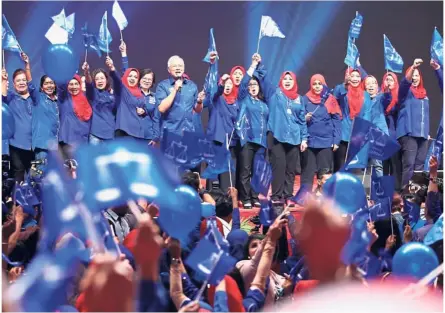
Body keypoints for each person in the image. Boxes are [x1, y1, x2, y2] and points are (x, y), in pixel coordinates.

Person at [257, 61, 308, 206]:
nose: (287, 81)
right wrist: (260, 64)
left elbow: (302, 119)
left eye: (290, 79)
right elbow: (264, 79)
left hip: (294, 137)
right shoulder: (274, 93)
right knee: (278, 167)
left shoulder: (299, 98)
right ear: (281, 81)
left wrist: (304, 138)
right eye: (285, 79)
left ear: (294, 81)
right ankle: (276, 195)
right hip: (276, 136)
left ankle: (288, 195)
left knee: (291, 169)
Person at [204, 51, 243, 192]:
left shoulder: (236, 102)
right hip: (217, 139)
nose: (228, 85)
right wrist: (220, 83)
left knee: (228, 171)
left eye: (230, 83)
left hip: (231, 140)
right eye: (225, 83)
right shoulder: (217, 99)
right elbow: (216, 91)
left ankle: (226, 195)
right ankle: (213, 195)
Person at [235, 54, 267, 208]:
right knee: (245, 170)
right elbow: (243, 84)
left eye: (256, 84)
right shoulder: (243, 99)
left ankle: (254, 197)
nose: (253, 86)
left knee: (257, 172)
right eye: (250, 85)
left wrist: (261, 65)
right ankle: (246, 197)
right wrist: (253, 64)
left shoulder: (263, 103)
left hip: (261, 142)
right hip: (247, 139)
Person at [301, 74, 341, 190]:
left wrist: (336, 140)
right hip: (310, 141)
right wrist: (305, 118)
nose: (317, 86)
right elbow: (299, 119)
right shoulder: (305, 99)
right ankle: (305, 197)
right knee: (307, 171)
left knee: (324, 172)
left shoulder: (330, 99)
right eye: (314, 84)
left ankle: (324, 195)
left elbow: (337, 121)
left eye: (320, 84)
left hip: (326, 141)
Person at [397, 58, 430, 191]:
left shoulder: (425, 94)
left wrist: (426, 132)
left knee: (420, 166)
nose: (415, 78)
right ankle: (406, 195)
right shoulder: (406, 92)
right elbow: (405, 83)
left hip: (422, 134)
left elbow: (426, 116)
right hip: (409, 133)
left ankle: (417, 196)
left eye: (417, 75)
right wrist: (412, 67)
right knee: (409, 165)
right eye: (413, 75)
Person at [1, 53, 34, 182]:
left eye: (23, 80)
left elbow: (32, 85)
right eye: (18, 81)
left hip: (34, 145)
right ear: (14, 85)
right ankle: (17, 202)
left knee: (35, 178)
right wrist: (3, 80)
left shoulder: (35, 98)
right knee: (18, 177)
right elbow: (1, 97)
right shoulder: (11, 98)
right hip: (16, 145)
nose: (21, 82)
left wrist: (27, 65)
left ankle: (36, 202)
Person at [119, 41, 160, 145]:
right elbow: (126, 73)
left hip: (148, 137)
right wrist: (124, 54)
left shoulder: (155, 97)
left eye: (149, 79)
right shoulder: (131, 92)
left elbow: (156, 118)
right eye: (144, 78)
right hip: (131, 134)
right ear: (139, 79)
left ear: (152, 82)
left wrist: (155, 137)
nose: (147, 81)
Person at [333, 66, 372, 172]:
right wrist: (344, 84)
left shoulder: (366, 95)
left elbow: (367, 114)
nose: (355, 78)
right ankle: (339, 187)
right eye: (352, 75)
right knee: (341, 165)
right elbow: (335, 96)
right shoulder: (343, 92)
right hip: (344, 134)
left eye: (357, 76)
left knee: (355, 167)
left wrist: (361, 130)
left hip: (358, 135)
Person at [156, 55, 205, 137]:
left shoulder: (192, 85)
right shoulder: (163, 86)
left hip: (188, 132)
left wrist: (199, 101)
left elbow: (197, 110)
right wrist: (174, 90)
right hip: (170, 133)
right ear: (169, 69)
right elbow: (161, 109)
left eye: (180, 66)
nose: (178, 68)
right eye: (175, 66)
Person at [105, 56, 148, 141]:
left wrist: (143, 112)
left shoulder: (141, 95)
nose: (132, 78)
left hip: (139, 133)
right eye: (130, 76)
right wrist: (112, 67)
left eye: (135, 77)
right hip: (124, 132)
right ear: (125, 77)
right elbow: (117, 79)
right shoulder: (122, 90)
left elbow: (145, 111)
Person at [57, 74, 92, 160]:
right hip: (68, 141)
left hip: (83, 142)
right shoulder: (64, 99)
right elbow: (61, 87)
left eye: (76, 84)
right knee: (69, 171)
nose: (74, 86)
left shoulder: (85, 99)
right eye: (71, 84)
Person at [82, 62, 116, 145]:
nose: (100, 81)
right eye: (97, 79)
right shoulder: (93, 93)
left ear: (106, 80)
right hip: (95, 135)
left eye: (102, 78)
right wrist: (87, 72)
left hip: (110, 135)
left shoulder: (113, 95)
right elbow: (89, 83)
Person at [381, 72, 402, 191]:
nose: (389, 81)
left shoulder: (399, 97)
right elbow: (384, 104)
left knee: (395, 167)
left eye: (391, 79)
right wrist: (387, 92)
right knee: (384, 167)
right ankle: (384, 194)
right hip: (383, 137)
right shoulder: (382, 96)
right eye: (386, 79)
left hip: (395, 137)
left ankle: (397, 194)